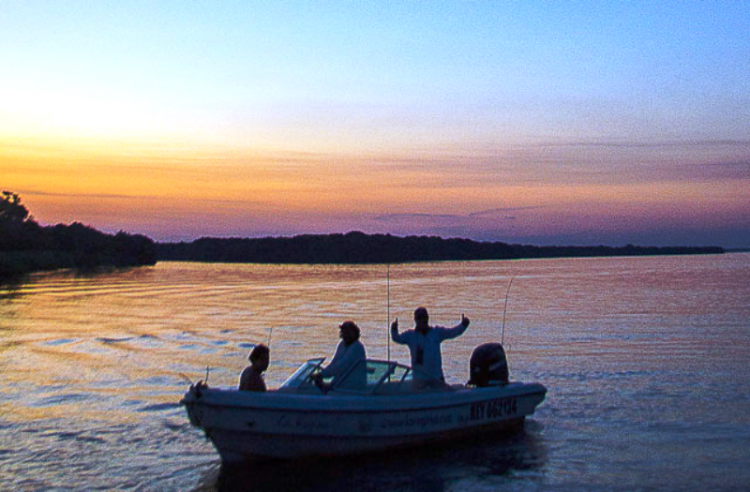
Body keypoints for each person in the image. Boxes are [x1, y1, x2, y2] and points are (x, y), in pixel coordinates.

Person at [391, 307, 469, 385]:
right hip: (419, 380)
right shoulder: (410, 335)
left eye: (424, 318)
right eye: (419, 318)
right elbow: (397, 338)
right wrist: (394, 329)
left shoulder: (436, 332)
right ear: (415, 320)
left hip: (437, 378)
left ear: (427, 319)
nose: (422, 321)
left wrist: (463, 325)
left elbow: (452, 332)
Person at [313, 321, 366, 390]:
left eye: (348, 333)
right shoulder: (342, 345)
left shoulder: (357, 347)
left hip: (352, 387)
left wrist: (322, 375)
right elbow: (334, 363)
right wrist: (321, 373)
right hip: (340, 383)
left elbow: (342, 366)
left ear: (355, 333)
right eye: (344, 332)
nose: (346, 335)